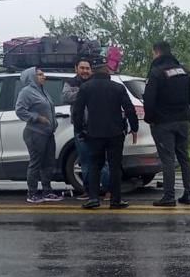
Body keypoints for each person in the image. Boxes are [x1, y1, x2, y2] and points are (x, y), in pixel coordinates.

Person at [72, 60, 139, 209]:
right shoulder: (118, 88)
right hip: (115, 133)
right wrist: (134, 128)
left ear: (94, 73)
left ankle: (94, 198)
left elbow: (77, 111)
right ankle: (116, 200)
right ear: (108, 73)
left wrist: (80, 130)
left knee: (95, 165)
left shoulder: (85, 88)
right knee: (115, 166)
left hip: (94, 133)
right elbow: (129, 109)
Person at [143, 41, 190, 207]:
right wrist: (188, 116)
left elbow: (149, 100)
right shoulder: (185, 71)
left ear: (156, 53)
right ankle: (188, 194)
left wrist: (150, 119)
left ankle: (169, 196)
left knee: (168, 160)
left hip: (163, 123)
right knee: (184, 157)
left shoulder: (156, 72)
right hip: (183, 121)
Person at [62, 57, 109, 200]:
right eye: (82, 68)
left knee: (103, 162)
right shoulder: (71, 83)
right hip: (80, 128)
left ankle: (108, 190)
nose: (85, 71)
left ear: (92, 70)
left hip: (99, 127)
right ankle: (88, 191)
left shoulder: (98, 82)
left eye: (87, 68)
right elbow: (66, 97)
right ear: (76, 69)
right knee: (85, 162)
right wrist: (85, 90)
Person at [15, 67, 63, 204]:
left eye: (43, 74)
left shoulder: (43, 91)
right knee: (36, 163)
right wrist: (37, 118)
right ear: (32, 77)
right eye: (40, 74)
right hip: (35, 133)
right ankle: (32, 193)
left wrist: (54, 123)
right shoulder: (26, 92)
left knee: (48, 163)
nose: (44, 77)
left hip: (48, 133)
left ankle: (47, 191)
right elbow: (20, 111)